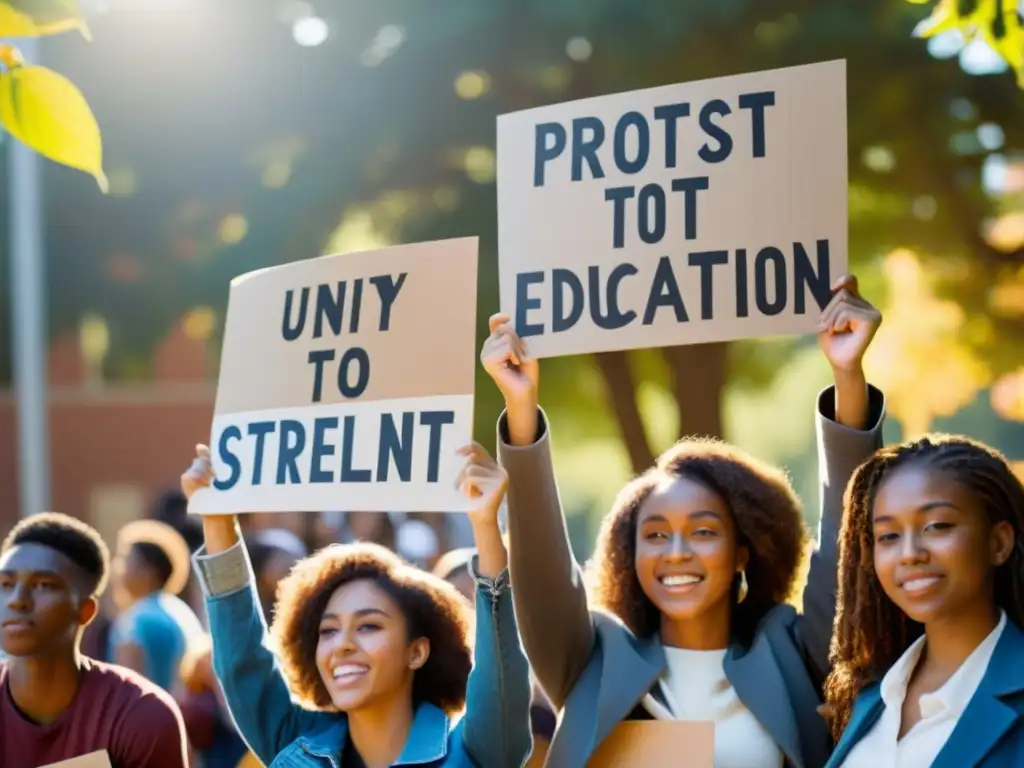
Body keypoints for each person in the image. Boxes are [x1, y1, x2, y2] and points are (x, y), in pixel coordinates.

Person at [484, 275, 887, 768]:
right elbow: (541, 569)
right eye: (654, 535)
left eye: (703, 531)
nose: (676, 550)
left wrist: (848, 376)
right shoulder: (594, 660)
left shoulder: (789, 654)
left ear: (742, 552)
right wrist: (520, 409)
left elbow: (846, 546)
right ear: (630, 557)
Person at [181, 442, 533, 768]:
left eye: (369, 625)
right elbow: (242, 661)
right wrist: (217, 521)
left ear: (417, 652)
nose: (343, 644)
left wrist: (486, 525)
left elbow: (500, 671)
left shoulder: (476, 750)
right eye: (328, 630)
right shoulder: (297, 746)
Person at [823, 435, 1024, 766]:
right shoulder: (871, 698)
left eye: (937, 526)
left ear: (998, 542)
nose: (910, 554)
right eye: (888, 536)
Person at [0, 512, 189, 767]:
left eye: (44, 585)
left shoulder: (142, 715)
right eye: (5, 584)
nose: (17, 599)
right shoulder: (174, 612)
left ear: (85, 610)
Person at [109, 519, 205, 692]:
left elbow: (129, 689)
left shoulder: (136, 619)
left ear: (148, 571)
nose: (117, 569)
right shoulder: (181, 611)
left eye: (126, 561)